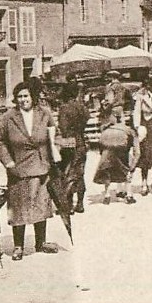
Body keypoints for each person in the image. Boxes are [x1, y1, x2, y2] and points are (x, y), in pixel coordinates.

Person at [0, 82, 58, 261]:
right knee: (18, 207)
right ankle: (18, 246)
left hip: (40, 166)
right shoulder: (8, 117)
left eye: (26, 96)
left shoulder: (44, 114)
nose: (23, 100)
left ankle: (40, 242)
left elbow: (53, 135)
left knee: (40, 203)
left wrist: (52, 156)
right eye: (20, 97)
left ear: (33, 97)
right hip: (18, 168)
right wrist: (8, 162)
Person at [93, 105, 140, 205]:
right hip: (122, 155)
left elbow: (101, 148)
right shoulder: (129, 130)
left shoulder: (105, 130)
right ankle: (129, 195)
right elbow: (137, 151)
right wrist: (133, 165)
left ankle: (107, 195)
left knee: (108, 169)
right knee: (127, 165)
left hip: (107, 156)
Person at [56, 81, 90, 213]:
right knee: (80, 174)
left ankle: (68, 205)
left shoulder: (64, 108)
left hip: (69, 143)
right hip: (81, 141)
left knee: (68, 173)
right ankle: (80, 203)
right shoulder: (82, 107)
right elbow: (86, 119)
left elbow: (63, 128)